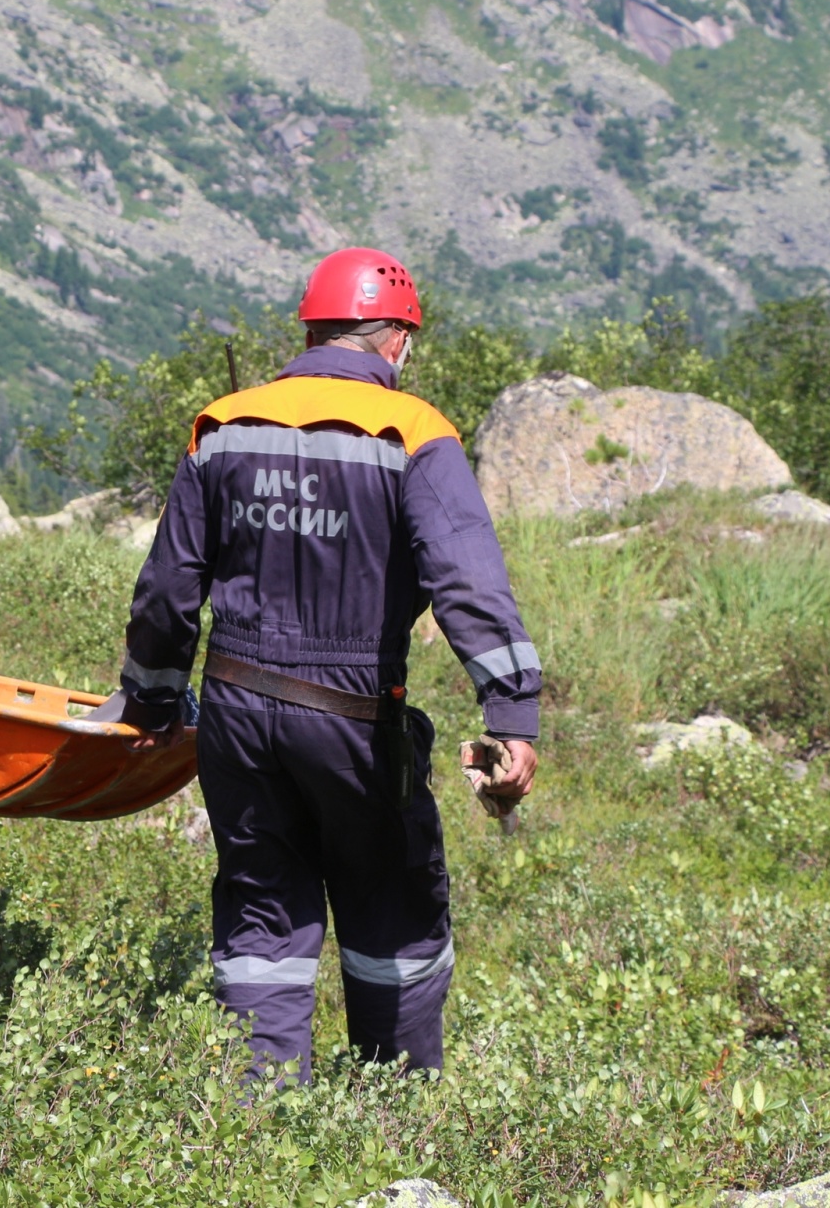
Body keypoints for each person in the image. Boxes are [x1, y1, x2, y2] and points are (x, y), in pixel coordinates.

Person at [119, 247, 539, 1079]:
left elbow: (167, 591)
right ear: (398, 345)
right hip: (353, 716)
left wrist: (155, 702)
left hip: (235, 715)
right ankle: (392, 1112)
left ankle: (259, 1119)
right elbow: (467, 580)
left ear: (310, 330)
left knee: (261, 915)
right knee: (392, 911)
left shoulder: (221, 424)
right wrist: (512, 714)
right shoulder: (416, 431)